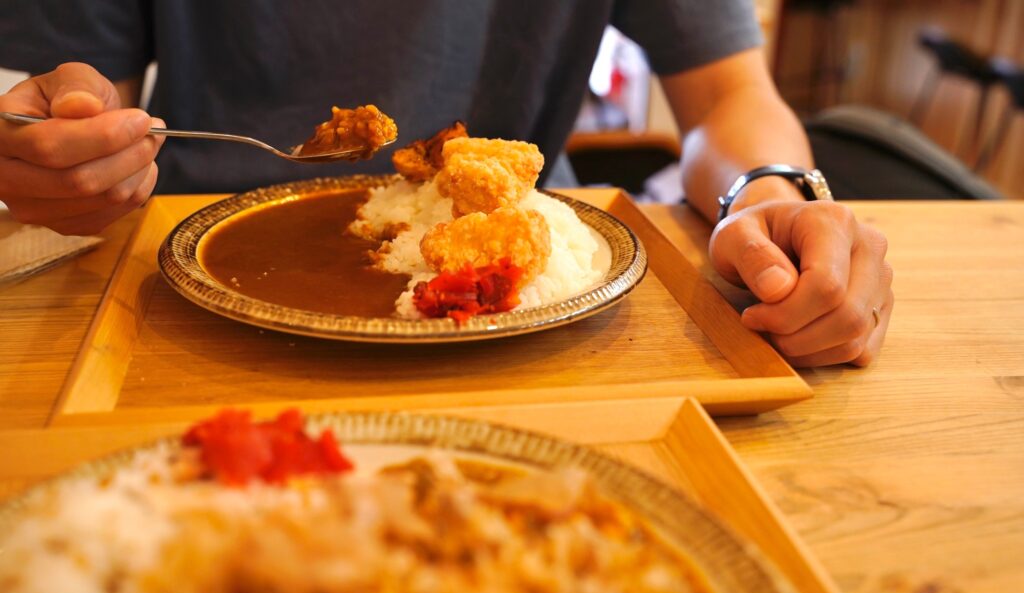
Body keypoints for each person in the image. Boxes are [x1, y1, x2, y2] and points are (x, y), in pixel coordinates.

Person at [0, 0, 892, 367]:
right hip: (174, 293)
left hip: (557, 314)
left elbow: (731, 96)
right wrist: (66, 143)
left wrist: (775, 200)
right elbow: (66, 92)